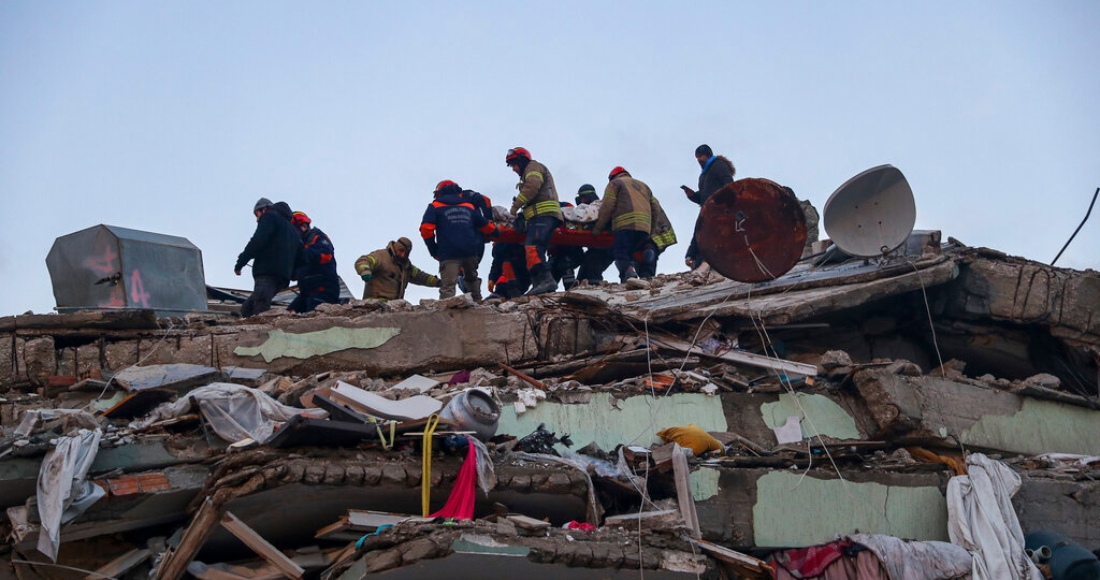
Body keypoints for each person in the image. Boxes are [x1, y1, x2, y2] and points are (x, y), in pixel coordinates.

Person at [420, 180, 498, 300]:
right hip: (471, 247)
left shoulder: (436, 206)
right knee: (471, 279)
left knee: (449, 284)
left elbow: (426, 229)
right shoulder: (468, 205)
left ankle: (448, 309)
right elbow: (485, 222)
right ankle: (477, 304)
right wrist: (494, 229)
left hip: (449, 250)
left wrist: (433, 250)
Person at [506, 147, 563, 295]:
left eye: (514, 164)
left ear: (522, 160)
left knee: (533, 247)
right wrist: (523, 216)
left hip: (544, 216)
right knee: (532, 249)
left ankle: (546, 280)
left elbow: (532, 187)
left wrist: (515, 207)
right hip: (541, 216)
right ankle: (538, 283)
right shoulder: (530, 170)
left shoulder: (533, 167)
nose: (513, 169)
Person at [234, 197, 302, 317]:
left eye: (257, 214)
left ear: (264, 209)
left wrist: (240, 263)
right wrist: (293, 273)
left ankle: (262, 328)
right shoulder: (292, 230)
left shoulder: (269, 217)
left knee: (261, 308)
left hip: (268, 272)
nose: (257, 219)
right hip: (282, 277)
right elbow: (299, 253)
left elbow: (257, 241)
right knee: (247, 309)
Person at [593, 167, 653, 282]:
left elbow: (607, 206)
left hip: (625, 225)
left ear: (612, 177)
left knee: (621, 253)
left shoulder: (615, 183)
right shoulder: (644, 186)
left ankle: (629, 271)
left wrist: (597, 228)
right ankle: (646, 277)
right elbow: (655, 209)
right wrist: (650, 230)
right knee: (639, 253)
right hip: (644, 227)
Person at [681, 144, 735, 270]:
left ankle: (709, 263)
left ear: (708, 155)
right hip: (707, 209)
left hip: (719, 209)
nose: (698, 159)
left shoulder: (719, 165)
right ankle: (694, 258)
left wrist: (723, 203)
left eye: (700, 156)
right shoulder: (704, 174)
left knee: (713, 235)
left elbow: (729, 185)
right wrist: (692, 195)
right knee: (700, 232)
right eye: (697, 157)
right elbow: (704, 195)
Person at [287, 211, 340, 313]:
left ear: (303, 226)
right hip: (306, 292)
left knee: (314, 316)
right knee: (286, 315)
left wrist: (300, 254)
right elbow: (296, 274)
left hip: (323, 290)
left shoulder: (319, 238)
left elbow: (325, 255)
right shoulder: (302, 245)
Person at [355, 237, 440, 300]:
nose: (403, 255)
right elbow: (364, 261)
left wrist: (438, 282)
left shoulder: (406, 266)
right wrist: (365, 270)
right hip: (374, 306)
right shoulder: (381, 256)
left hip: (394, 308)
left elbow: (421, 276)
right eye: (401, 251)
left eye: (406, 253)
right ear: (395, 248)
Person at [572, 184, 614, 285]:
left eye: (582, 198)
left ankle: (596, 288)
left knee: (592, 269)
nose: (581, 201)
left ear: (586, 196)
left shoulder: (596, 207)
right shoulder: (591, 209)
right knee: (583, 272)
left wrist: (595, 229)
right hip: (598, 247)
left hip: (605, 246)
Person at [635, 195, 678, 279]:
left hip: (646, 234)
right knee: (647, 252)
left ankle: (642, 275)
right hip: (647, 234)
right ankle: (644, 275)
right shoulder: (645, 194)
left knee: (647, 252)